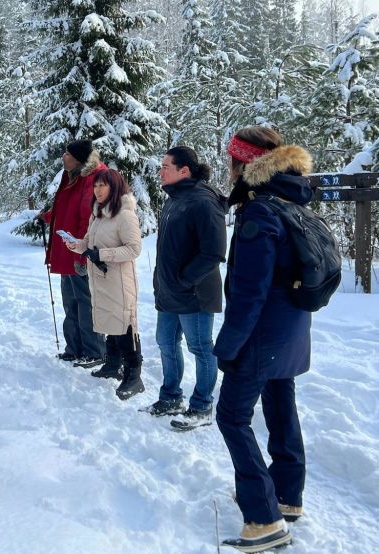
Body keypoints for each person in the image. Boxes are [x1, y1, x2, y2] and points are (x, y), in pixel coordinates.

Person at [214, 127, 313, 553]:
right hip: (292, 330)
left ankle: (263, 517)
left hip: (260, 334)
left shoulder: (259, 213)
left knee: (231, 416)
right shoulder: (293, 201)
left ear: (245, 164)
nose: (228, 167)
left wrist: (228, 346)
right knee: (280, 404)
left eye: (231, 160)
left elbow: (249, 291)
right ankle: (287, 496)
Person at [143, 146, 228, 431]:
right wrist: (162, 281)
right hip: (168, 292)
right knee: (166, 343)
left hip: (195, 293)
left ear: (184, 170)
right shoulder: (173, 199)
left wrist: (184, 280)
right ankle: (170, 398)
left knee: (201, 348)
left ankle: (202, 406)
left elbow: (214, 252)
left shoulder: (203, 201)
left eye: (166, 166)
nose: (160, 171)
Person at [65, 168, 144, 400]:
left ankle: (134, 376)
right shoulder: (97, 214)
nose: (97, 190)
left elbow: (134, 249)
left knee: (125, 325)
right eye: (96, 186)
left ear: (114, 187)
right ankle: (113, 365)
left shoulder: (125, 215)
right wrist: (75, 244)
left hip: (119, 281)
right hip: (101, 278)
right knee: (110, 323)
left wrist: (103, 254)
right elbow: (89, 242)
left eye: (103, 185)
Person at [37, 139, 108, 367]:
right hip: (68, 250)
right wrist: (48, 217)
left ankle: (94, 351)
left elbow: (86, 219)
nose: (63, 157)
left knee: (86, 303)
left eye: (67, 153)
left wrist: (81, 253)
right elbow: (66, 209)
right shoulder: (74, 176)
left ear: (78, 158)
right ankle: (74, 348)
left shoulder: (93, 179)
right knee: (71, 301)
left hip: (80, 253)